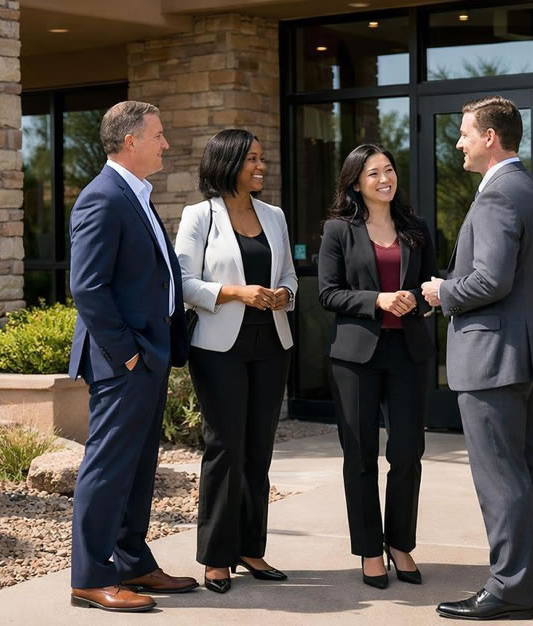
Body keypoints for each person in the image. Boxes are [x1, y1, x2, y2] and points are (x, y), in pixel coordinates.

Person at [422, 97, 533, 621]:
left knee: (500, 476)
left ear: (490, 138)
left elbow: (490, 279)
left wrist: (442, 292)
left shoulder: (496, 197)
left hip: (491, 360)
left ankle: (509, 589)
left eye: (464, 133)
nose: (458, 143)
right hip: (528, 357)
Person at [67, 100, 198, 613]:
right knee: (108, 467)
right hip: (124, 361)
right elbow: (89, 288)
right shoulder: (103, 198)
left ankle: (132, 562)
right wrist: (127, 356)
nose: (166, 143)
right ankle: (90, 577)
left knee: (139, 466)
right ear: (131, 142)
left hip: (150, 356)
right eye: (159, 135)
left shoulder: (136, 194)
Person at [175, 129, 298, 594]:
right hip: (218, 348)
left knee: (259, 450)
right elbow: (182, 282)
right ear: (227, 163)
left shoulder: (275, 215)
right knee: (225, 448)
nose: (260, 166)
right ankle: (216, 556)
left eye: (261, 158)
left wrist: (285, 293)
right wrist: (233, 293)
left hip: (272, 344)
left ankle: (250, 548)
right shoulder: (199, 216)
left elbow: (288, 274)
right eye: (252, 159)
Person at [318, 144, 436, 590]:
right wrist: (377, 300)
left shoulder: (416, 229)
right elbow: (327, 293)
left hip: (408, 353)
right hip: (355, 359)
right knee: (361, 455)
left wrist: (419, 300)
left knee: (408, 452)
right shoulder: (338, 231)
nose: (385, 178)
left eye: (389, 170)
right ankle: (370, 548)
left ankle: (400, 542)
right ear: (355, 182)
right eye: (373, 173)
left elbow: (430, 284)